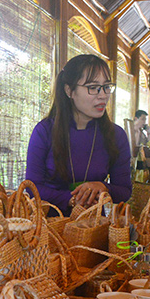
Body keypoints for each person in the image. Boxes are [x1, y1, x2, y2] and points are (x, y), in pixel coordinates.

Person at [25, 54, 132, 214]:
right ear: (69, 90)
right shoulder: (44, 131)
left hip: (94, 223)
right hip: (49, 222)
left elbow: (124, 190)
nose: (103, 95)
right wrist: (71, 199)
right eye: (93, 87)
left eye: (106, 86)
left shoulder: (116, 135)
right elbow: (31, 187)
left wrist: (103, 187)